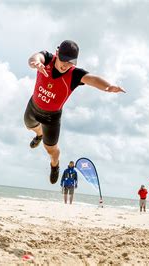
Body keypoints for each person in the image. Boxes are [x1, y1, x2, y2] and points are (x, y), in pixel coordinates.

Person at [24, 40, 125, 184]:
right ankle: (39, 134)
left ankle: (55, 164)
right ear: (57, 53)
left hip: (52, 118)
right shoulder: (46, 58)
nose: (65, 65)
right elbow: (35, 57)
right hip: (33, 107)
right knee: (29, 125)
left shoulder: (74, 75)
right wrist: (35, 63)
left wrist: (108, 87)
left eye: (70, 62)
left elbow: (92, 79)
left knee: (51, 150)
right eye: (63, 60)